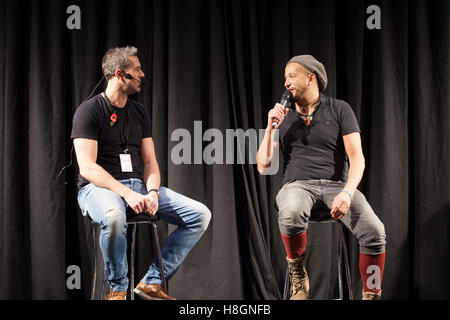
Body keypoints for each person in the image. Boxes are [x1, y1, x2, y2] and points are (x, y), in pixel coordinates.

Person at [71, 46, 211, 300]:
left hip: (138, 187)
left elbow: (150, 163)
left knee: (200, 214)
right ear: (119, 74)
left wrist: (153, 192)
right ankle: (117, 288)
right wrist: (125, 193)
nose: (142, 74)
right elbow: (87, 167)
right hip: (99, 189)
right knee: (114, 218)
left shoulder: (139, 112)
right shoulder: (89, 111)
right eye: (136, 70)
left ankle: (152, 282)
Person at [257, 55, 386, 300]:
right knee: (291, 211)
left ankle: (372, 293)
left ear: (311, 78)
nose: (286, 83)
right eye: (285, 78)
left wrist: (347, 192)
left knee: (375, 231)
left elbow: (357, 158)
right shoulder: (283, 116)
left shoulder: (339, 109)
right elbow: (263, 166)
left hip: (337, 186)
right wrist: (271, 127)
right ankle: (298, 276)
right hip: (297, 186)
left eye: (291, 76)